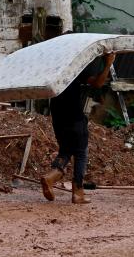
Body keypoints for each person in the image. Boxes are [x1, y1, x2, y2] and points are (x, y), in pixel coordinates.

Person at [41, 49, 116, 204]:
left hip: (58, 119)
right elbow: (98, 83)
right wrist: (108, 64)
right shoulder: (75, 68)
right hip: (74, 117)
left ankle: (52, 176)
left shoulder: (52, 68)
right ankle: (77, 193)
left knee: (66, 150)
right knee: (81, 153)